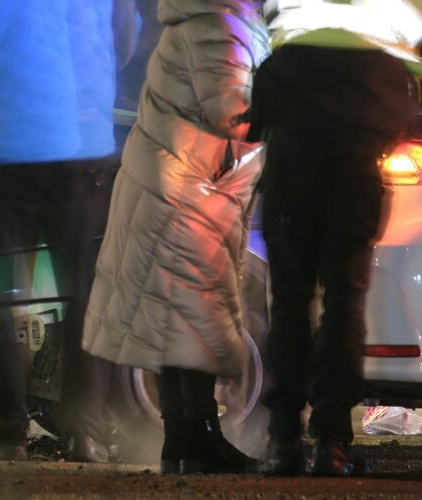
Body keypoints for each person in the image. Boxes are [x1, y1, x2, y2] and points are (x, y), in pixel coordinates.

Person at [81, 0, 270, 474]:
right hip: (189, 191)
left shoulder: (197, 21)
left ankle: (185, 440)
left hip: (170, 185)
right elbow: (233, 115)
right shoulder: (219, 28)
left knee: (171, 318)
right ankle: (198, 437)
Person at [0, 0, 128, 461]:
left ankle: (8, 433)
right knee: (83, 292)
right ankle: (87, 434)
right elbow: (125, 38)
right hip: (83, 144)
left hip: (4, 141)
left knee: (0, 294)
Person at [249, 0, 422, 477]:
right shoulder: (385, 65)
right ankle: (331, 444)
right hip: (353, 191)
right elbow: (400, 125)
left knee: (288, 307)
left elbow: (255, 119)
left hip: (290, 187)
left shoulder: (283, 60)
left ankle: (283, 440)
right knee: (344, 307)